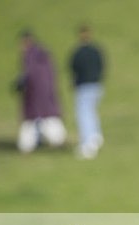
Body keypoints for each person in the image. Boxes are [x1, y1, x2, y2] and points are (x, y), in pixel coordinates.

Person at [14, 30, 66, 153]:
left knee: (32, 122)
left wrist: (20, 84)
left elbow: (29, 76)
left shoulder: (30, 56)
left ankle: (26, 146)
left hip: (34, 96)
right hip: (47, 93)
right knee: (49, 118)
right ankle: (56, 140)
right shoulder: (44, 55)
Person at [69, 24, 105, 160]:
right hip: (96, 85)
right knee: (91, 111)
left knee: (83, 113)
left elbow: (73, 68)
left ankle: (88, 143)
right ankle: (95, 135)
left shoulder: (78, 53)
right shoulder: (96, 51)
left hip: (84, 86)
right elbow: (102, 66)